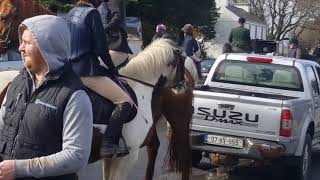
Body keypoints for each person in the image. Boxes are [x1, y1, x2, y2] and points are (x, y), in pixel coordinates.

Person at [0, 15, 92, 179]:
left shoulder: (75, 95)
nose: (20, 48)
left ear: (47, 46)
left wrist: (19, 169)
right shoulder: (17, 82)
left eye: (27, 42)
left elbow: (76, 156)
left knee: (123, 101)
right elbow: (2, 124)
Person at [66, 0, 132, 158]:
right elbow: (102, 49)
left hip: (69, 70)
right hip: (86, 71)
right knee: (125, 101)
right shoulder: (92, 13)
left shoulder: (70, 13)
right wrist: (113, 70)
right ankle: (109, 145)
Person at [97, 0, 133, 68]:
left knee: (98, 68)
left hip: (116, 46)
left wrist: (102, 30)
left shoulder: (114, 1)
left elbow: (118, 18)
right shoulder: (100, 3)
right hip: (104, 47)